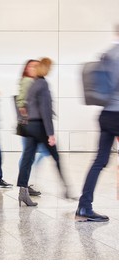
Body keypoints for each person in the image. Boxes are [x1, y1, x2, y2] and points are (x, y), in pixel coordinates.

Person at [76, 27, 119, 222]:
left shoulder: (108, 54)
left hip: (107, 114)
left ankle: (84, 207)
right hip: (117, 113)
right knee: (100, 160)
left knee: (100, 160)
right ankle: (84, 206)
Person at [16, 58, 71, 206]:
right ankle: (67, 189)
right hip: (40, 126)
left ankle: (23, 192)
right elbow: (45, 111)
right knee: (56, 157)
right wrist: (51, 134)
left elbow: (25, 104)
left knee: (27, 160)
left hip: (29, 125)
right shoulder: (43, 84)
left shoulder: (32, 84)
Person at [15, 59, 48, 196]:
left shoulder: (31, 81)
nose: (33, 68)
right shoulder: (28, 81)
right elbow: (21, 102)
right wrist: (28, 117)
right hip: (31, 124)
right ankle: (25, 184)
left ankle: (26, 184)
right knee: (33, 154)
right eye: (31, 66)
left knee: (29, 154)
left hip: (30, 124)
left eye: (36, 66)